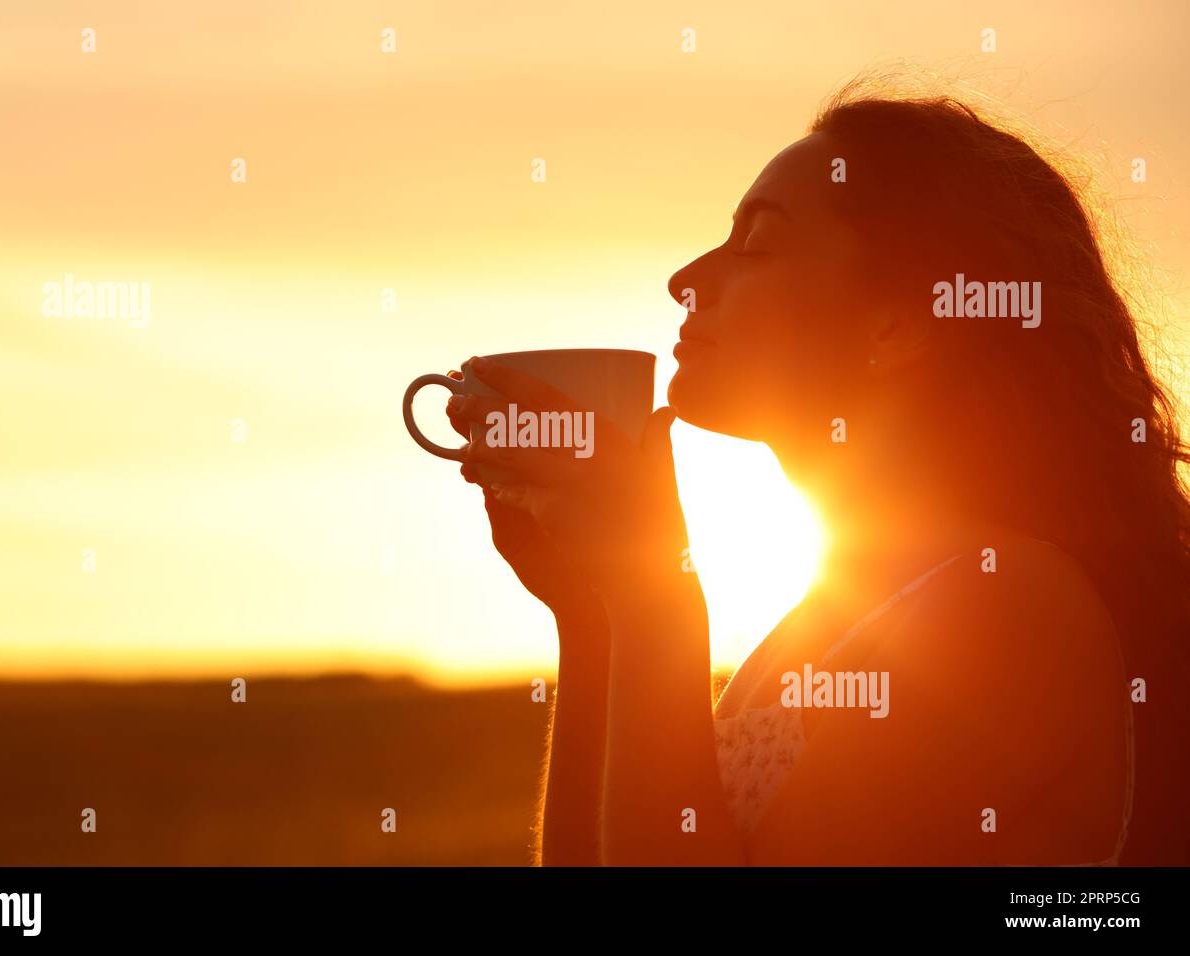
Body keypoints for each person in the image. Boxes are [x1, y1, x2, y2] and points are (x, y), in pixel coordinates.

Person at [444, 83, 1190, 866]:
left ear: (897, 323)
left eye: (755, 245)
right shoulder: (826, 626)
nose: (687, 279)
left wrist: (654, 597)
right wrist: (592, 613)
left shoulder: (1004, 604)